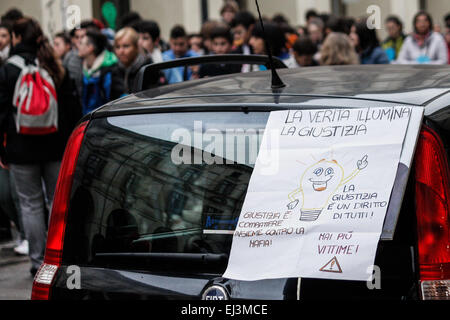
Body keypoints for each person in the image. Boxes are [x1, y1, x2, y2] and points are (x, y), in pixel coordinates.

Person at [0, 18, 81, 276]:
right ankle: (59, 258)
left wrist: (4, 148)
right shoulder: (54, 64)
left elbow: (1, 114)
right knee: (56, 202)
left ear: (15, 37)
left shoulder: (6, 70)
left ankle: (38, 263)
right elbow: (71, 109)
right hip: (56, 146)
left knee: (30, 205)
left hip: (21, 148)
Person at [79, 30, 124, 115]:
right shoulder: (85, 68)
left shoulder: (110, 70)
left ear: (90, 48)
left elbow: (115, 101)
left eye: (81, 43)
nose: (78, 46)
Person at [114, 27, 152, 93]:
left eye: (126, 46)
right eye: (117, 47)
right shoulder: (113, 71)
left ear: (136, 47)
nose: (121, 51)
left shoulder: (148, 69)